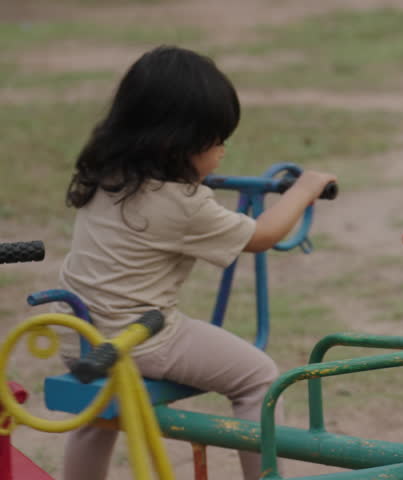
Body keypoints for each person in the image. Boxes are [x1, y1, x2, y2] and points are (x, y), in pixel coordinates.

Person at [55, 45, 336, 480]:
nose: (222, 152)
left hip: (78, 335)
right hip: (140, 338)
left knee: (98, 414)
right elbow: (262, 236)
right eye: (216, 141)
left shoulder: (106, 173)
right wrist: (304, 190)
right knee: (257, 376)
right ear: (174, 145)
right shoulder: (181, 204)